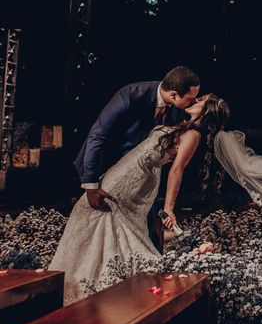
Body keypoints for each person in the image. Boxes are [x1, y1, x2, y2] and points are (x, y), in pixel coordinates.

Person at [50, 93, 230, 304]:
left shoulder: (193, 136)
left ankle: (106, 286)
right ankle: (79, 281)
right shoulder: (181, 124)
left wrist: (169, 207)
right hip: (124, 171)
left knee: (101, 215)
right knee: (93, 216)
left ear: (205, 113)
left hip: (135, 181)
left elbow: (176, 171)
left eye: (200, 101)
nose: (195, 100)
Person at [73, 66, 200, 249]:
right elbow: (97, 136)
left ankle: (149, 270)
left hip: (145, 181)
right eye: (191, 99)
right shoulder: (130, 96)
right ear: (173, 95)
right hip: (109, 173)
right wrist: (91, 186)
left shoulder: (180, 111)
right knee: (102, 232)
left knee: (145, 235)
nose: (194, 103)